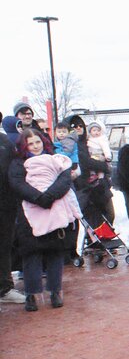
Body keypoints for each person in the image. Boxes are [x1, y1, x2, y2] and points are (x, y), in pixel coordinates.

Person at [7, 129, 76, 311]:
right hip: (29, 215)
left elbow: (64, 179)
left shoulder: (55, 159)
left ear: (43, 142)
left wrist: (49, 196)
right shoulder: (18, 163)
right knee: (32, 254)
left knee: (55, 253)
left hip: (54, 211)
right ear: (24, 146)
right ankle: (32, 294)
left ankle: (55, 291)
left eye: (37, 142)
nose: (35, 146)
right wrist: (39, 198)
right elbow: (17, 184)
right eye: (31, 143)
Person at [0, 112, 26, 304]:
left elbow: (17, 168)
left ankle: (5, 288)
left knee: (4, 246)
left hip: (6, 204)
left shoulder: (6, 142)